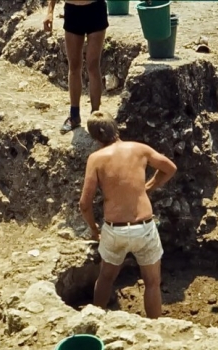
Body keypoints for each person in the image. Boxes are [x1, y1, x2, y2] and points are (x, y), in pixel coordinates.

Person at [78, 111, 177, 319]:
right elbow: (169, 168)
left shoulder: (96, 159)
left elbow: (85, 204)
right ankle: (156, 328)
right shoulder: (139, 149)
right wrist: (148, 187)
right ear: (117, 128)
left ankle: (95, 321)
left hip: (116, 230)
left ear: (95, 137)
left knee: (106, 278)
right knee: (152, 283)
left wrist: (95, 231)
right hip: (144, 228)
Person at [43, 0, 108, 133]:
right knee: (74, 65)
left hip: (95, 9)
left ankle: (96, 117)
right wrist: (50, 12)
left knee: (92, 65)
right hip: (73, 11)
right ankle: (74, 115)